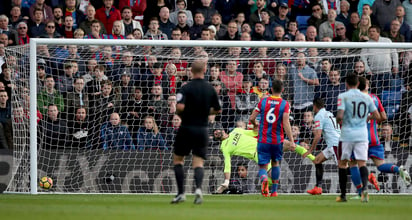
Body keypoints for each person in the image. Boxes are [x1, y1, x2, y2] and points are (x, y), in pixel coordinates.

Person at [171, 60, 221, 204]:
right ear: (205, 70)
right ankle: (198, 189)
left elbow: (179, 107)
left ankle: (181, 193)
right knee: (198, 162)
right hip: (202, 129)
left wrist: (187, 113)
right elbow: (217, 109)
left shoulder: (186, 88)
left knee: (178, 160)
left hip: (186, 127)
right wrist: (204, 112)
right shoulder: (210, 88)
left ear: (191, 71)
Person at [351, 77, 411, 195]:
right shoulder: (375, 98)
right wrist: (372, 120)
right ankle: (399, 169)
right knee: (381, 165)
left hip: (359, 138)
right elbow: (383, 117)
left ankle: (361, 193)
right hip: (374, 138)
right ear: (367, 86)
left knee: (352, 164)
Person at [214, 127, 315, 194]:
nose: (217, 133)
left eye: (217, 131)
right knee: (274, 175)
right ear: (216, 138)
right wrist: (226, 181)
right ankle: (265, 184)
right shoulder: (224, 147)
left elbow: (253, 132)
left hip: (264, 142)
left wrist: (256, 126)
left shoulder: (236, 131)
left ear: (222, 129)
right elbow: (227, 164)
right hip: (257, 153)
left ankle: (314, 159)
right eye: (215, 134)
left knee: (290, 144)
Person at [335, 73, 381, 203]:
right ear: (358, 84)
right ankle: (364, 191)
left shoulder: (343, 96)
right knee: (362, 163)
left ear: (347, 84)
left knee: (343, 163)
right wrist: (366, 118)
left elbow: (339, 116)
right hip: (362, 134)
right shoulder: (367, 97)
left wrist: (342, 121)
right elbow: (377, 116)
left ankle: (343, 195)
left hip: (347, 134)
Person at [249, 79, 295, 197]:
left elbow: (252, 118)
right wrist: (292, 140)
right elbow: (286, 123)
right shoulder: (285, 104)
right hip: (277, 140)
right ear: (283, 90)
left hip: (263, 139)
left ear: (271, 89)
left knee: (263, 166)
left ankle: (264, 178)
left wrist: (255, 125)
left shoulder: (263, 101)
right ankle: (274, 191)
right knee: (275, 163)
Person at [304, 98, 341, 195]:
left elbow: (318, 135)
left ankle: (366, 177)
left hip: (335, 145)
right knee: (317, 160)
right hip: (334, 143)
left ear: (314, 106)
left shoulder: (318, 116)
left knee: (344, 168)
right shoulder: (329, 113)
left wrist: (310, 150)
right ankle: (318, 188)